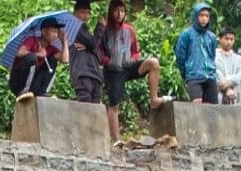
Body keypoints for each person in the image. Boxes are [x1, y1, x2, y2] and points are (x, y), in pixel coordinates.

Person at [92, 0, 165, 140]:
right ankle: (116, 140)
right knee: (114, 106)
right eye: (116, 11)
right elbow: (98, 52)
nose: (119, 14)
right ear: (111, 12)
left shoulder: (129, 30)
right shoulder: (104, 29)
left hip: (128, 66)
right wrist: (109, 61)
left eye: (122, 11)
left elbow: (136, 51)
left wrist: (132, 59)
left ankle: (154, 99)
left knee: (153, 63)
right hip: (113, 71)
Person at [10, 17, 67, 99]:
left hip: (33, 84)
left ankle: (42, 92)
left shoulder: (51, 48)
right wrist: (38, 54)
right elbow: (19, 52)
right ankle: (23, 91)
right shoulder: (32, 40)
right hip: (18, 82)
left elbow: (65, 60)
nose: (56, 35)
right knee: (32, 57)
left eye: (57, 32)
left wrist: (64, 41)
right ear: (43, 31)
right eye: (53, 31)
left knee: (53, 60)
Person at [174, 4, 221, 102]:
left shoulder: (211, 37)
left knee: (213, 109)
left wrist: (211, 69)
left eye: (207, 16)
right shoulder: (187, 34)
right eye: (201, 15)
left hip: (210, 76)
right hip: (194, 75)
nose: (204, 18)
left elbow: (212, 56)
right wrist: (186, 72)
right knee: (197, 105)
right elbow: (180, 56)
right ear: (195, 16)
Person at [214, 28, 241, 104]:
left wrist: (229, 80)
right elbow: (215, 73)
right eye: (226, 38)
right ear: (220, 39)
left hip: (235, 95)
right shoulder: (214, 55)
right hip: (217, 94)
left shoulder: (239, 59)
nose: (229, 42)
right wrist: (227, 89)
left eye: (232, 39)